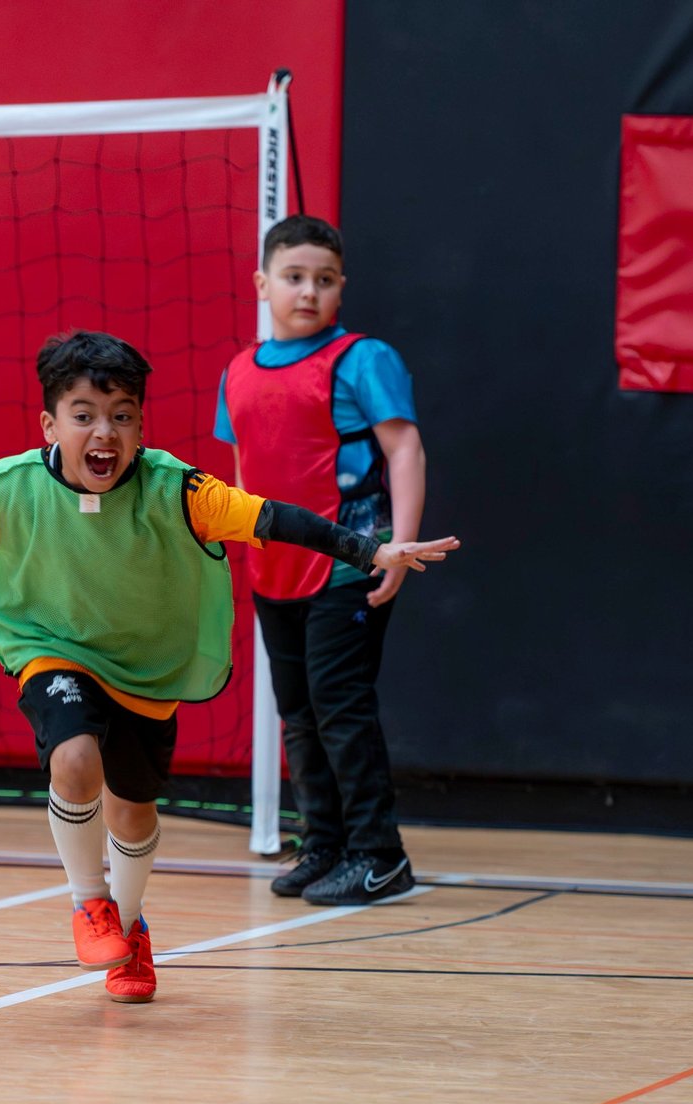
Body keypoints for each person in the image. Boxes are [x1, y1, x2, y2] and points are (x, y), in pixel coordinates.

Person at [0, 330, 458, 1002]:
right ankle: (90, 901)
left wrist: (371, 550)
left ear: (141, 426)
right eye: (83, 415)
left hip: (145, 663)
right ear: (50, 425)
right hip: (47, 644)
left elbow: (274, 518)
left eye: (121, 416)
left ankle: (132, 930)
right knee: (74, 756)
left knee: (134, 809)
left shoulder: (178, 490)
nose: (103, 433)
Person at [216, 214, 427, 905]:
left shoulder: (365, 358)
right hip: (273, 566)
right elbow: (245, 469)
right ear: (263, 283)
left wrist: (396, 549)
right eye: (294, 276)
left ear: (341, 288)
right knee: (299, 711)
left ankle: (380, 854)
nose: (309, 291)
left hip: (349, 558)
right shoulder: (238, 371)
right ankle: (326, 845)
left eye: (325, 280)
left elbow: (404, 450)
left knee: (341, 705)